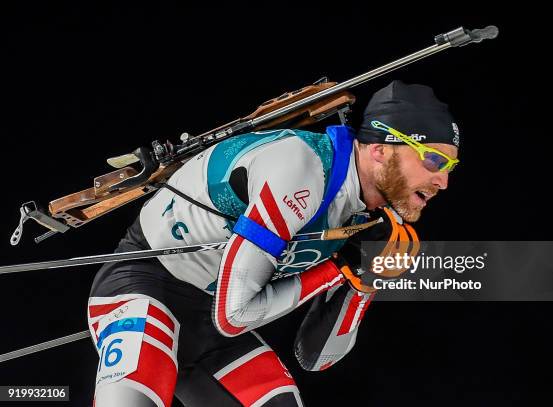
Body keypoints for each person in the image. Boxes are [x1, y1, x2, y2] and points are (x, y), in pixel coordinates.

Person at [86, 80, 460, 406]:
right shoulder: (302, 168)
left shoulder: (371, 221)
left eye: (449, 168)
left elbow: (317, 357)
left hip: (212, 325)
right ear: (380, 149)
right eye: (433, 160)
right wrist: (336, 268)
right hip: (149, 287)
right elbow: (234, 317)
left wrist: (364, 280)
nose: (442, 181)